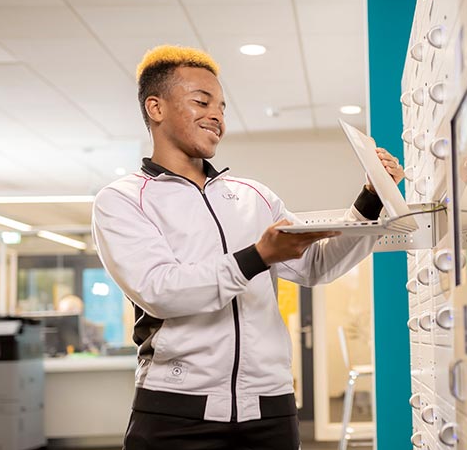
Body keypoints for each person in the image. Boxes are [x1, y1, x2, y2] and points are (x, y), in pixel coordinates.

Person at [92, 45, 404, 450]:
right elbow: (159, 290)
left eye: (221, 106)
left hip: (270, 408)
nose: (217, 115)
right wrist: (258, 257)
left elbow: (317, 266)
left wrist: (371, 199)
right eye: (201, 102)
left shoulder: (254, 196)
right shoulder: (123, 199)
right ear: (156, 108)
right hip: (176, 411)